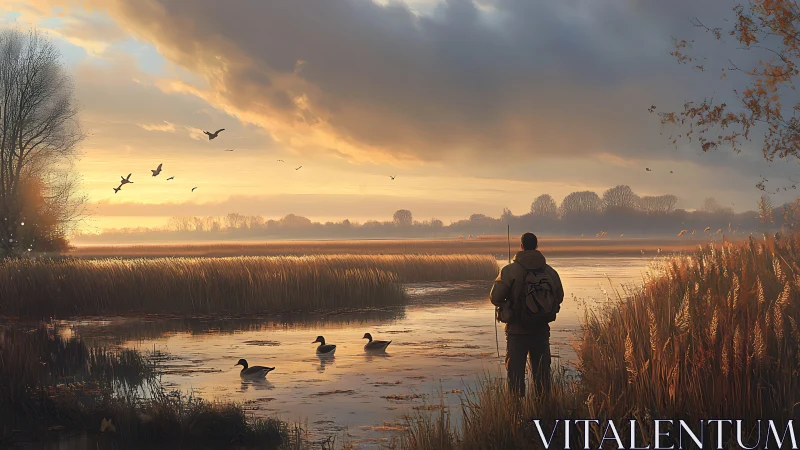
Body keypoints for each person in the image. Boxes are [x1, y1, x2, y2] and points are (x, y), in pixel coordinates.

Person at [490, 232, 564, 396]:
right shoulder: (550, 272)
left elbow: (495, 297)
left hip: (517, 331)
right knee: (542, 375)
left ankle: (516, 415)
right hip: (541, 330)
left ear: (521, 246)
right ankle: (543, 411)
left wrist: (508, 304)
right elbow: (559, 297)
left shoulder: (510, 270)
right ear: (537, 246)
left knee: (515, 375)